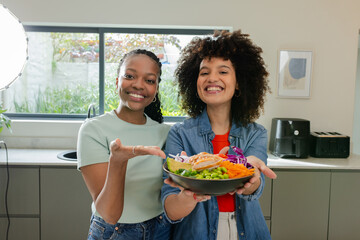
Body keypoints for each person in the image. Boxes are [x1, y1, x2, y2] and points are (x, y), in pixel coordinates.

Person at [161, 30, 277, 240]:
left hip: (248, 231)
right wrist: (189, 194)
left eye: (223, 72)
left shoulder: (256, 133)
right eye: (204, 72)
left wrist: (252, 175)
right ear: (195, 82)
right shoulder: (179, 134)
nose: (212, 78)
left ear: (239, 81)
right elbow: (170, 210)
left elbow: (255, 189)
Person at [77, 49, 171, 240]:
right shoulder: (93, 130)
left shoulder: (165, 133)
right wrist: (118, 161)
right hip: (115, 232)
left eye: (149, 80)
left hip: (161, 228)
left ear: (156, 90)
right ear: (117, 82)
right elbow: (109, 214)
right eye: (130, 76)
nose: (138, 85)